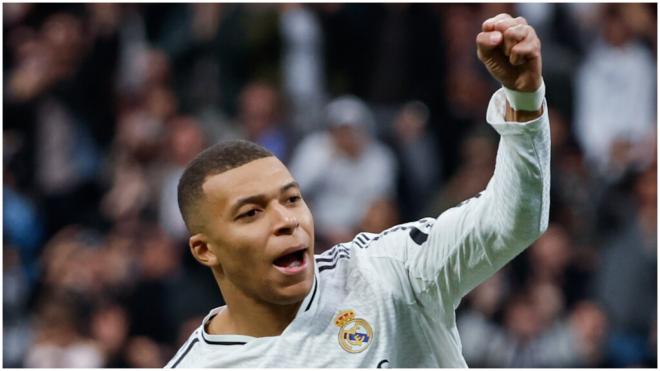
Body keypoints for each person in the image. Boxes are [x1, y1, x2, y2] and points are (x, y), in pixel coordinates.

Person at [166, 13, 550, 367]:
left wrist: (524, 103)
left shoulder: (387, 271)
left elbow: (510, 222)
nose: (286, 221)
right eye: (251, 213)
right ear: (205, 249)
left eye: (292, 199)